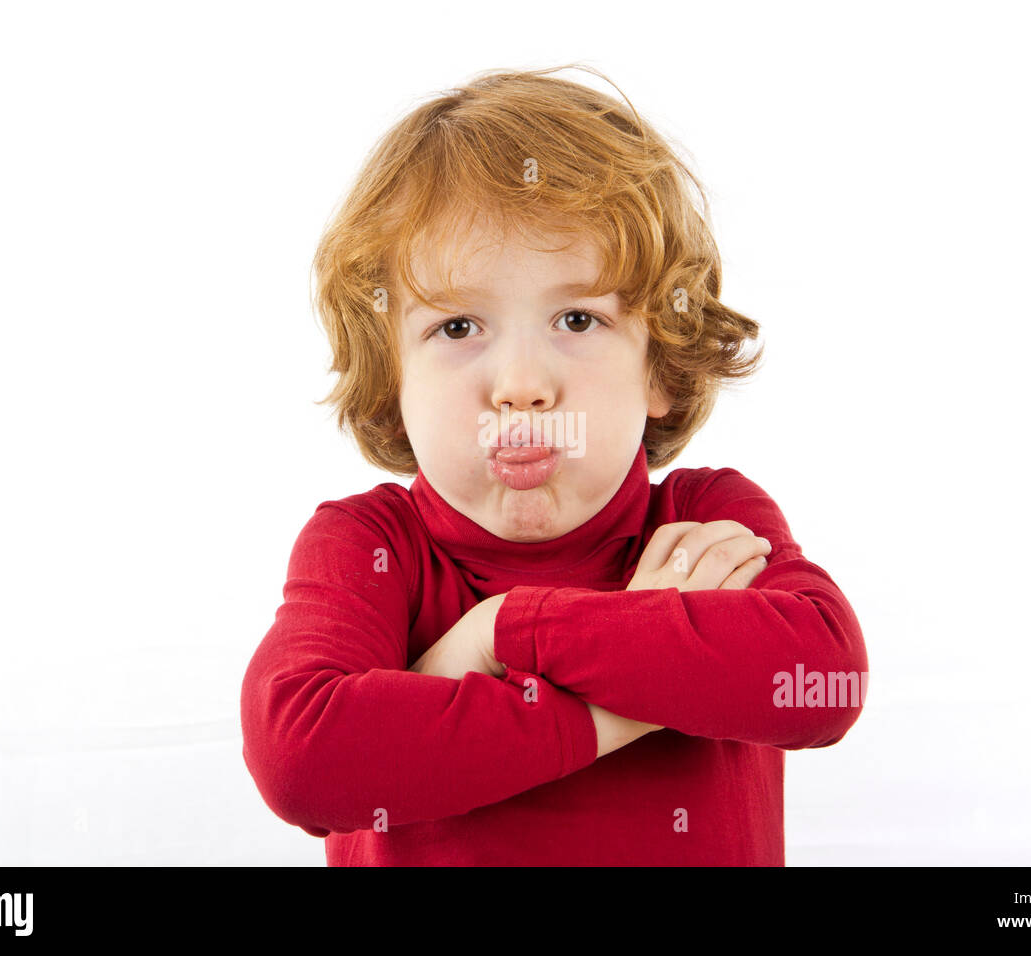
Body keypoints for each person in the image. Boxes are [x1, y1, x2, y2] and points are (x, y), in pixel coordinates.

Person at [240, 65, 868, 865]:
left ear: (658, 369)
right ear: (393, 379)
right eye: (459, 327)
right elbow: (304, 759)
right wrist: (635, 682)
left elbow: (824, 680)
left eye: (578, 317)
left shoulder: (707, 519)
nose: (523, 387)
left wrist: (500, 631)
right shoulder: (369, 547)